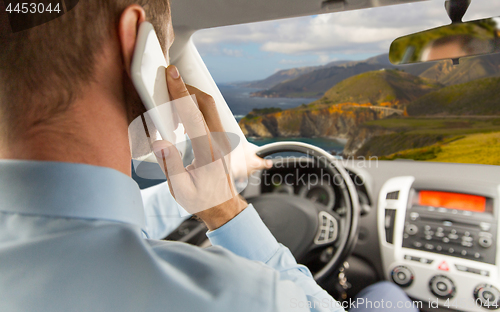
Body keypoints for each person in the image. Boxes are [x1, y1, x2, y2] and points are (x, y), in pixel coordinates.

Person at [0, 1, 418, 311]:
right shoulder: (245, 298)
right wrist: (227, 211)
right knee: (385, 297)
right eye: (164, 56)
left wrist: (211, 194)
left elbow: (91, 217)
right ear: (133, 42)